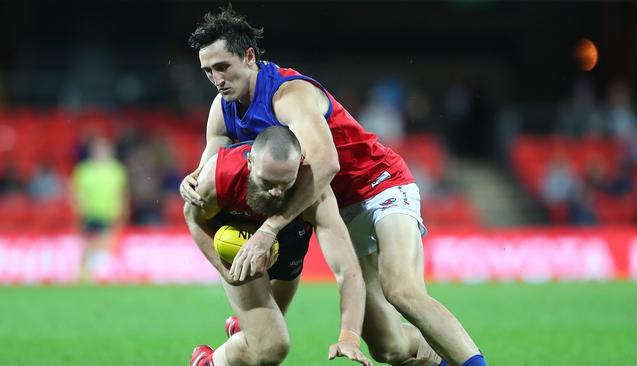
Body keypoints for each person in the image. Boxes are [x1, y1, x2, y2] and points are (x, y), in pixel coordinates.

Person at [181, 7, 486, 366]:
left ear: (249, 56)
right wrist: (194, 178)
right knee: (388, 348)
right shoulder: (224, 105)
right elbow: (213, 158)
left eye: (222, 67)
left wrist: (271, 227)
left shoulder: (288, 95)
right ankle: (437, 356)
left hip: (379, 185)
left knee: (402, 291)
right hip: (335, 207)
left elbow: (326, 164)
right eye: (208, 71)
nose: (216, 78)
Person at [184, 127, 371, 366]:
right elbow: (193, 217)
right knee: (271, 347)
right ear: (250, 161)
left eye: (285, 184)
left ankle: (243, 327)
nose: (275, 192)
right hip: (240, 248)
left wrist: (350, 337)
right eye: (267, 182)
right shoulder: (220, 174)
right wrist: (229, 273)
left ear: (300, 164)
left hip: (290, 252)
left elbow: (349, 270)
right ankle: (206, 363)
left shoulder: (316, 194)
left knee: (263, 337)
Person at [71, 137, 129, 282]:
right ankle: (84, 274)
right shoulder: (84, 170)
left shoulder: (116, 170)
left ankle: (96, 273)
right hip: (89, 213)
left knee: (106, 243)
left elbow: (122, 192)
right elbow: (75, 191)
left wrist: (122, 209)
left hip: (109, 213)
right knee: (88, 244)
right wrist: (79, 206)